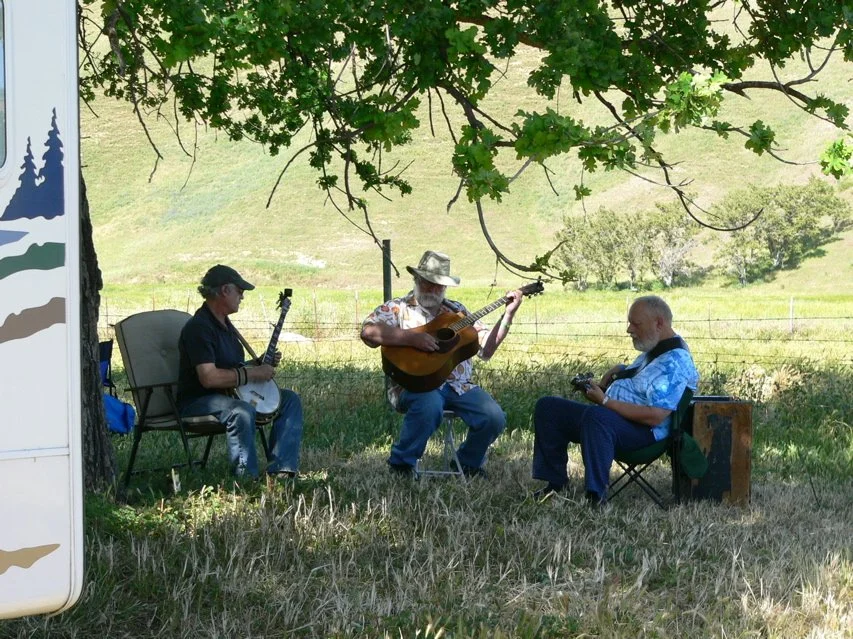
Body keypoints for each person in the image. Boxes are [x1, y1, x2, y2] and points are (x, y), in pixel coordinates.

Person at [361, 250, 523, 478]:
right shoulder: (397, 308)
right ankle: (402, 464)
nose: (433, 290)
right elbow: (368, 332)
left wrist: (508, 315)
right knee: (430, 405)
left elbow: (486, 350)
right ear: (416, 280)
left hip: (459, 386)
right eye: (428, 283)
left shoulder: (458, 312)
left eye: (439, 286)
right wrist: (411, 338)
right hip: (414, 385)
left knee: (493, 416)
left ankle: (468, 463)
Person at [531, 295, 698, 505]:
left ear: (659, 323)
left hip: (643, 435)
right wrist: (616, 375)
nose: (629, 329)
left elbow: (655, 416)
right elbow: (639, 384)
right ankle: (555, 484)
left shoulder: (675, 362)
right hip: (613, 421)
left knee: (597, 417)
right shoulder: (656, 348)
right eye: (630, 322)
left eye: (636, 324)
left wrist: (605, 401)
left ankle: (596, 497)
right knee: (548, 407)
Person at [177, 264, 303, 479]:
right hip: (198, 400)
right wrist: (254, 374)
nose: (242, 297)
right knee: (241, 410)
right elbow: (209, 377)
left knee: (290, 399)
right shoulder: (199, 327)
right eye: (240, 291)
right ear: (225, 290)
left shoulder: (226, 326)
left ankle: (282, 470)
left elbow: (231, 366)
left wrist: (258, 364)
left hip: (229, 394)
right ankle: (246, 479)